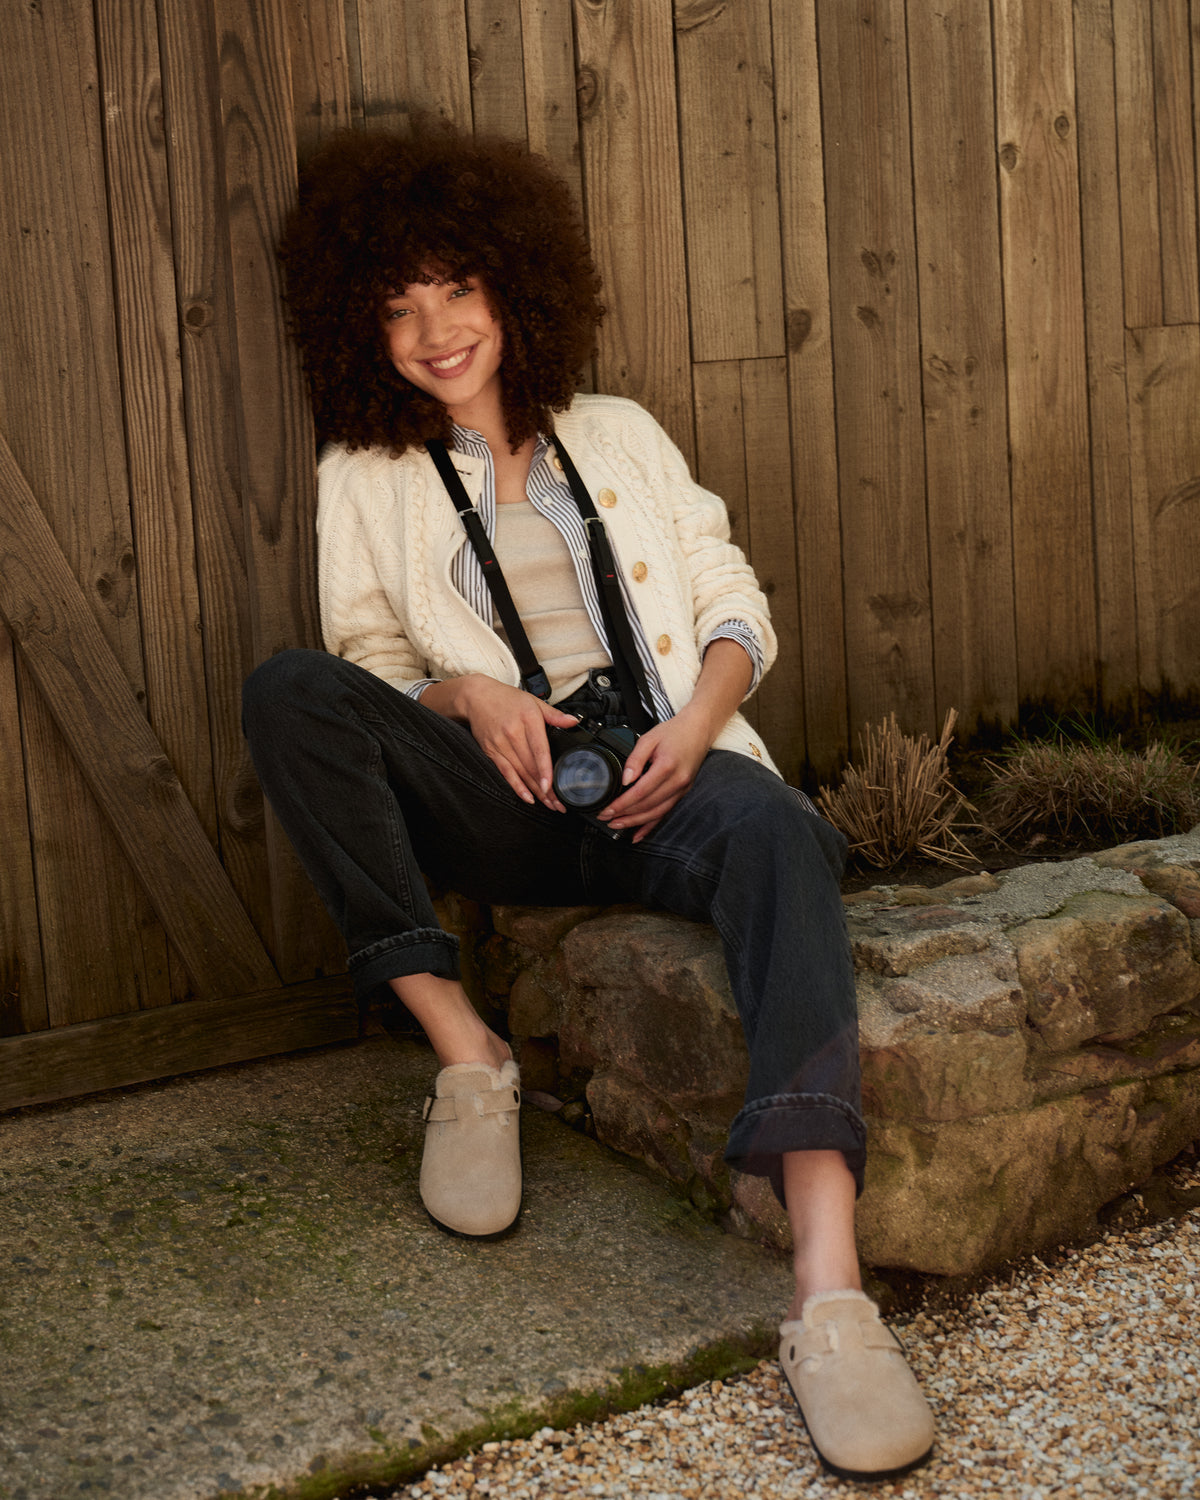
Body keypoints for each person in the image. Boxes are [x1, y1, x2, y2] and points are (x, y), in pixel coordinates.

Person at [242, 120, 935, 1480]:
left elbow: (733, 597)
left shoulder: (619, 433)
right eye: (398, 308)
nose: (437, 330)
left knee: (780, 833)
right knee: (291, 690)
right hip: (503, 797)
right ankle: (465, 1052)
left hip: (669, 775)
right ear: (358, 330)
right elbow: (373, 674)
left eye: (457, 289)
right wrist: (469, 696)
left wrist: (700, 727)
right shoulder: (362, 475)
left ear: (513, 284)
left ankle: (829, 1288)